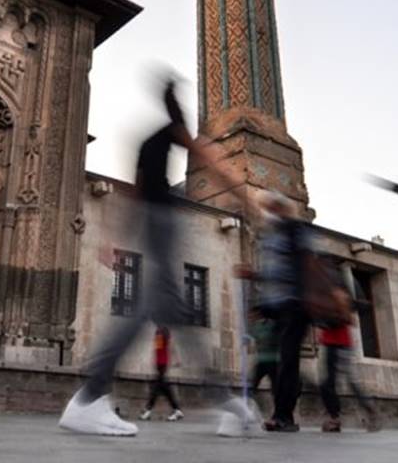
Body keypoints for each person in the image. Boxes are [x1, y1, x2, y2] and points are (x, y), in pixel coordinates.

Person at [58, 75, 257, 437]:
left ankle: (230, 403)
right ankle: (89, 398)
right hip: (163, 225)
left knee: (176, 317)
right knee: (144, 313)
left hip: (153, 227)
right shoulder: (173, 130)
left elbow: (134, 192)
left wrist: (116, 236)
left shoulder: (148, 141)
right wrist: (246, 197)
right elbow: (211, 161)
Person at [249, 192, 312, 433]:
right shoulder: (271, 235)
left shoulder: (296, 229)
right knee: (283, 362)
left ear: (282, 208)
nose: (267, 212)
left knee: (287, 360)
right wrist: (254, 280)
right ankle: (287, 404)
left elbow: (305, 265)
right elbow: (274, 275)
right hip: (277, 306)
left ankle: (284, 416)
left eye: (271, 207)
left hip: (296, 304)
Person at [317, 295, 380, 433]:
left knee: (332, 382)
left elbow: (361, 306)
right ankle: (366, 411)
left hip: (338, 344)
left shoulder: (336, 295)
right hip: (333, 343)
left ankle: (336, 418)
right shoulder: (328, 295)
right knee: (333, 382)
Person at [139, 326, 183, 421]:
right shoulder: (162, 331)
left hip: (162, 364)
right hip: (161, 363)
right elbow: (161, 347)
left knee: (156, 388)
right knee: (165, 389)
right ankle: (176, 410)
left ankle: (148, 410)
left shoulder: (162, 331)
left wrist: (176, 359)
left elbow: (166, 347)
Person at [248, 313, 279, 413]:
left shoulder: (273, 325)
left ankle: (278, 409)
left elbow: (270, 339)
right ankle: (249, 407)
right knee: (253, 384)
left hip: (273, 360)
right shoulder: (257, 326)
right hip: (261, 360)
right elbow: (253, 336)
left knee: (276, 387)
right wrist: (248, 338)